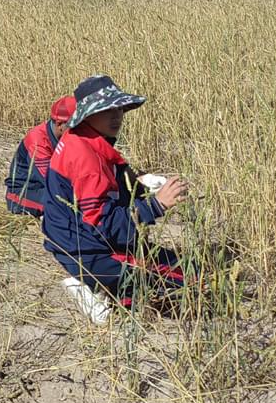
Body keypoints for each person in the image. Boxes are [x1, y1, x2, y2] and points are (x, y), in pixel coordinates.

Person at [42, 75, 188, 323]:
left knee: (176, 267)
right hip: (87, 250)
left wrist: (141, 187)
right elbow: (104, 226)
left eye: (119, 108)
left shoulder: (83, 140)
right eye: (106, 109)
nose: (117, 115)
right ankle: (88, 285)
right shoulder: (87, 158)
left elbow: (107, 192)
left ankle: (96, 284)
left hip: (71, 240)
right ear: (87, 114)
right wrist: (156, 205)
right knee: (188, 281)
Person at [5, 95, 76, 217]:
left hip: (47, 188)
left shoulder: (67, 137)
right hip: (23, 193)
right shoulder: (38, 141)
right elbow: (54, 182)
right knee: (68, 206)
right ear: (60, 124)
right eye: (76, 126)